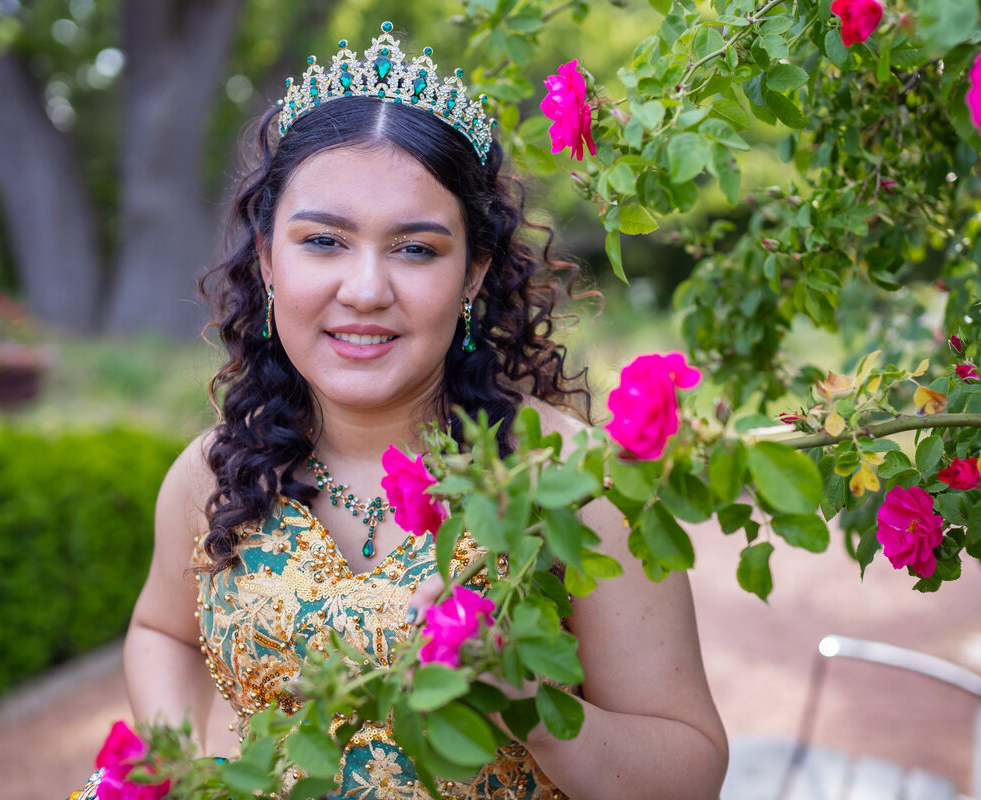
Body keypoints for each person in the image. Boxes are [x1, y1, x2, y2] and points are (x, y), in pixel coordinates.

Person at [112, 23, 727, 800]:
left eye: (415, 249)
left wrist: (523, 702)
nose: (366, 289)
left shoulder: (571, 482)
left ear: (472, 273)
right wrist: (187, 771)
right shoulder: (216, 472)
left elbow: (692, 770)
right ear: (268, 259)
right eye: (324, 241)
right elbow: (163, 630)